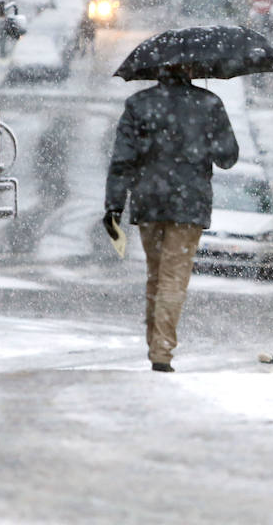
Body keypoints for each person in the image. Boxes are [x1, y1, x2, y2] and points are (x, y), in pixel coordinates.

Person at [103, 66, 239, 372]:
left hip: (149, 201)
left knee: (156, 273)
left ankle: (156, 343)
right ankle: (161, 351)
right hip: (189, 203)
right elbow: (228, 156)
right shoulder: (208, 104)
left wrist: (114, 205)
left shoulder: (139, 104)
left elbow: (122, 160)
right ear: (191, 68)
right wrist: (203, 136)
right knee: (173, 276)